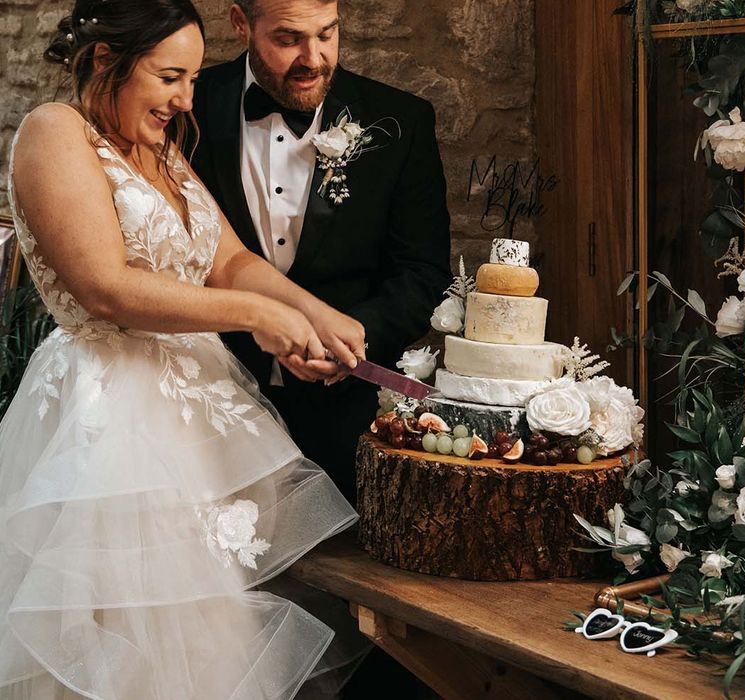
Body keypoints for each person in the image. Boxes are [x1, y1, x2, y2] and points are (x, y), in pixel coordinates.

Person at [0, 1, 368, 697]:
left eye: (194, 80)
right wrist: (256, 317)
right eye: (171, 77)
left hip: (194, 424)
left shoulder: (159, 149)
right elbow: (107, 287)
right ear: (108, 61)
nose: (186, 99)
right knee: (132, 637)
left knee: (212, 633)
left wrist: (317, 316)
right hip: (110, 426)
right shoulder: (56, 134)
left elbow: (226, 261)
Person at [191, 0, 452, 503]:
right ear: (241, 23)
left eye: (327, 34)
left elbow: (422, 272)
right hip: (210, 404)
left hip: (348, 416)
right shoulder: (186, 108)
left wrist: (355, 337)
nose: (314, 58)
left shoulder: (401, 121)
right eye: (289, 39)